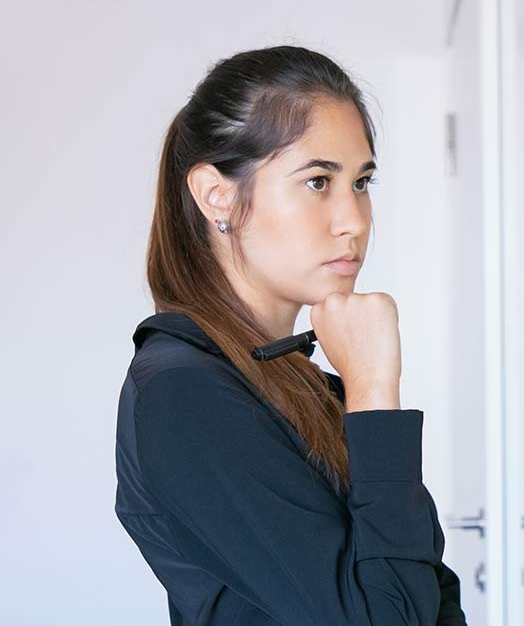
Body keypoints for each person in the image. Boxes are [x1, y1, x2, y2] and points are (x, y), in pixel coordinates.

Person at [114, 45, 467, 626]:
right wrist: (375, 390)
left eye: (361, 181)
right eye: (317, 181)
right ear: (216, 195)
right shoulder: (184, 392)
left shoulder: (290, 379)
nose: (353, 219)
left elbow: (428, 595)